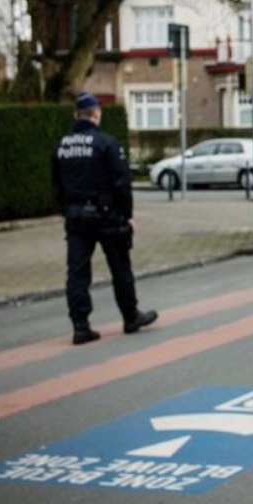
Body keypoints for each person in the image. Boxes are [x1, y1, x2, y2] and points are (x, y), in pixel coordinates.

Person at [51, 93, 158, 345]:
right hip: (107, 215)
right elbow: (121, 183)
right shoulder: (107, 143)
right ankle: (130, 316)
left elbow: (56, 187)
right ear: (96, 114)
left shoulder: (61, 147)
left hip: (76, 217)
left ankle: (80, 326)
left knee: (77, 272)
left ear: (76, 115)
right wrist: (127, 215)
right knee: (120, 266)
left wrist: (67, 211)